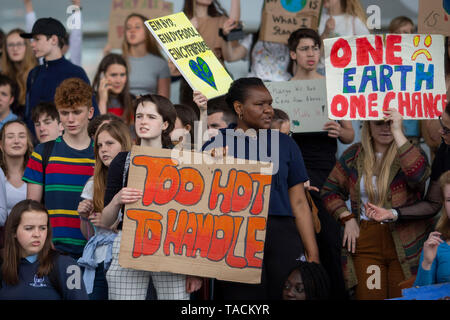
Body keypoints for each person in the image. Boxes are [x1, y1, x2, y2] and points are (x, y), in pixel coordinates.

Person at [202, 77, 320, 300]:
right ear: (238, 108)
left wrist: (313, 254)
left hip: (282, 235)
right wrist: (209, 164)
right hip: (234, 237)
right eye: (259, 104)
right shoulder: (216, 145)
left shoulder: (286, 144)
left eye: (270, 103)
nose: (269, 110)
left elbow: (299, 203)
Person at [321, 109, 433, 300]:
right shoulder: (353, 155)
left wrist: (398, 133)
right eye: (378, 123)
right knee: (371, 296)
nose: (385, 128)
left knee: (402, 296)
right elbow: (329, 191)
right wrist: (347, 218)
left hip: (404, 241)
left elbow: (418, 175)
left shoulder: (410, 150)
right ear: (367, 125)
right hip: (367, 240)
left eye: (390, 123)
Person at [100, 94, 202, 300]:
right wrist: (118, 199)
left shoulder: (182, 161)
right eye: (139, 116)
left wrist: (195, 269)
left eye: (150, 117)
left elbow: (194, 217)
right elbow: (105, 220)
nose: (143, 121)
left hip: (170, 245)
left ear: (165, 124)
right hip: (128, 242)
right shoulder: (122, 161)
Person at [287, 27, 354, 299]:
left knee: (329, 239)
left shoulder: (332, 86)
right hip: (296, 172)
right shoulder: (282, 92)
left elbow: (350, 134)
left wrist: (340, 131)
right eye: (304, 48)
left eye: (315, 47)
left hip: (328, 171)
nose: (311, 54)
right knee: (299, 239)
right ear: (293, 53)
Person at [23, 78, 95, 260]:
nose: (70, 119)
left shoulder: (101, 154)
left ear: (90, 112)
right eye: (64, 113)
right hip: (53, 252)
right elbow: (32, 208)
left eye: (77, 112)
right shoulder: (43, 152)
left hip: (93, 250)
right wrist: (44, 241)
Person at [77, 120, 132, 300]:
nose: (103, 149)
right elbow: (88, 235)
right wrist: (84, 217)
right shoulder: (93, 183)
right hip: (99, 260)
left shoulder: (137, 179)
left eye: (110, 143)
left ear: (124, 144)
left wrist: (112, 225)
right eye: (99, 145)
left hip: (128, 261)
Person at [20, 17, 98, 139]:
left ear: (54, 39)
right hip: (35, 150)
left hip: (66, 149)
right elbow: (29, 115)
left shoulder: (75, 72)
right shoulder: (33, 74)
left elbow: (92, 114)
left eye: (37, 39)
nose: (32, 44)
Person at [0, 199, 88, 300]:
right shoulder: (3, 266)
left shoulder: (68, 266)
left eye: (42, 228)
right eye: (29, 228)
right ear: (13, 232)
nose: (37, 234)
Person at [318, 0, 370, 158]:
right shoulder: (317, 20)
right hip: (322, 77)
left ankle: (347, 167)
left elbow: (368, 52)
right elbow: (314, 53)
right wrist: (326, 32)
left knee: (348, 127)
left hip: (346, 80)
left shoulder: (354, 21)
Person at [179, 0, 240, 108]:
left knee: (219, 120)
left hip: (219, 79)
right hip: (192, 82)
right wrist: (187, 32)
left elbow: (233, 22)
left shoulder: (221, 21)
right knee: (194, 121)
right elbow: (176, 58)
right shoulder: (181, 22)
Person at [413, 170, 450, 286]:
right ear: (444, 204)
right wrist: (427, 263)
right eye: (449, 200)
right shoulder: (436, 245)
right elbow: (419, 294)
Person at [121, 13, 170, 98]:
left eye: (137, 27)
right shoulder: (118, 61)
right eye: (128, 28)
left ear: (147, 32)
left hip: (148, 110)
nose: (132, 31)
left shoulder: (160, 63)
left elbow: (164, 101)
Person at [0, 28, 37, 117]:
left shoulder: (37, 73)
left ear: (27, 46)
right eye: (10, 45)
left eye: (19, 44)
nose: (15, 48)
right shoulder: (3, 77)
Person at [0, 120, 33, 215]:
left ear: (27, 143)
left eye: (22, 136)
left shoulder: (36, 173)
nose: (16, 141)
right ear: (1, 145)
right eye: (10, 137)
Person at [92, 53, 134, 125]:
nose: (118, 80)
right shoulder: (91, 100)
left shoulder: (133, 100)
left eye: (122, 75)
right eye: (113, 75)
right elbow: (98, 130)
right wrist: (102, 101)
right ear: (102, 76)